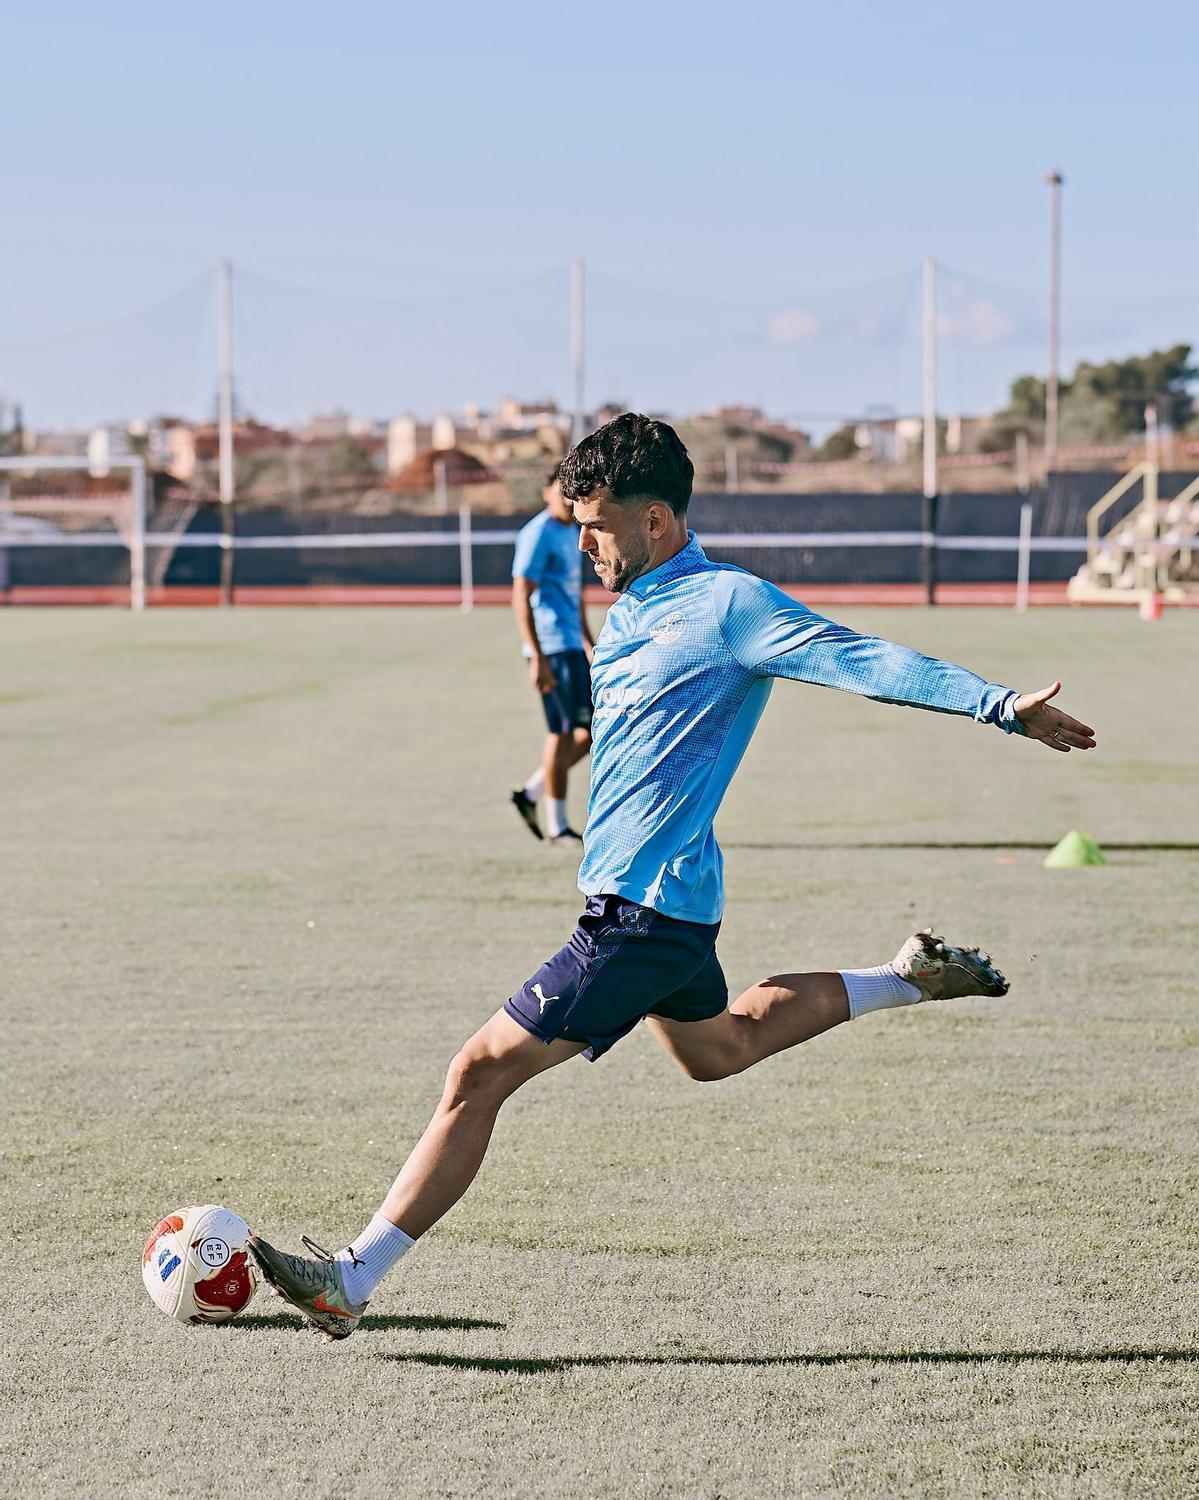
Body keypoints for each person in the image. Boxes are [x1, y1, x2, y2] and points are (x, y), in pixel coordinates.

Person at [250, 413, 1096, 1341]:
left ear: (655, 520)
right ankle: (908, 979)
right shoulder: (632, 608)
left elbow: (859, 658)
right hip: (677, 907)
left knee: (477, 1072)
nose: (583, 545)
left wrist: (998, 705)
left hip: (642, 915)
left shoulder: (731, 604)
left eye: (597, 526)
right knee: (720, 1049)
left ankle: (351, 1279)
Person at [508, 461, 595, 845]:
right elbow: (520, 596)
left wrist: (589, 643)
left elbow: (575, 596)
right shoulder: (537, 534)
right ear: (546, 492)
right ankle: (557, 827)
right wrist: (537, 654)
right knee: (559, 732)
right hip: (550, 646)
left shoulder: (574, 531)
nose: (567, 499)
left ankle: (530, 793)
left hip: (570, 644)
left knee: (588, 733)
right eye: (561, 491)